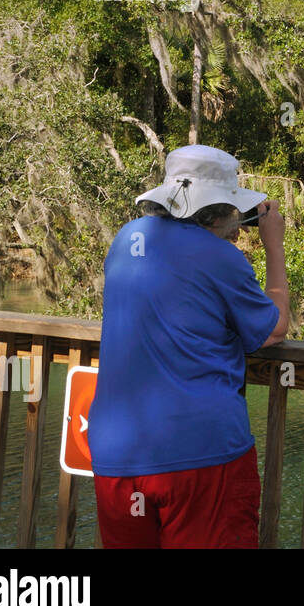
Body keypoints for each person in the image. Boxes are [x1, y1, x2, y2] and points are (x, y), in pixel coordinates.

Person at [89, 144, 290, 548]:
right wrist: (273, 244)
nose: (237, 227)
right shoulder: (220, 256)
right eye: (233, 214)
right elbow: (274, 328)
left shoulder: (127, 238)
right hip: (201, 453)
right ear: (214, 212)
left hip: (119, 454)